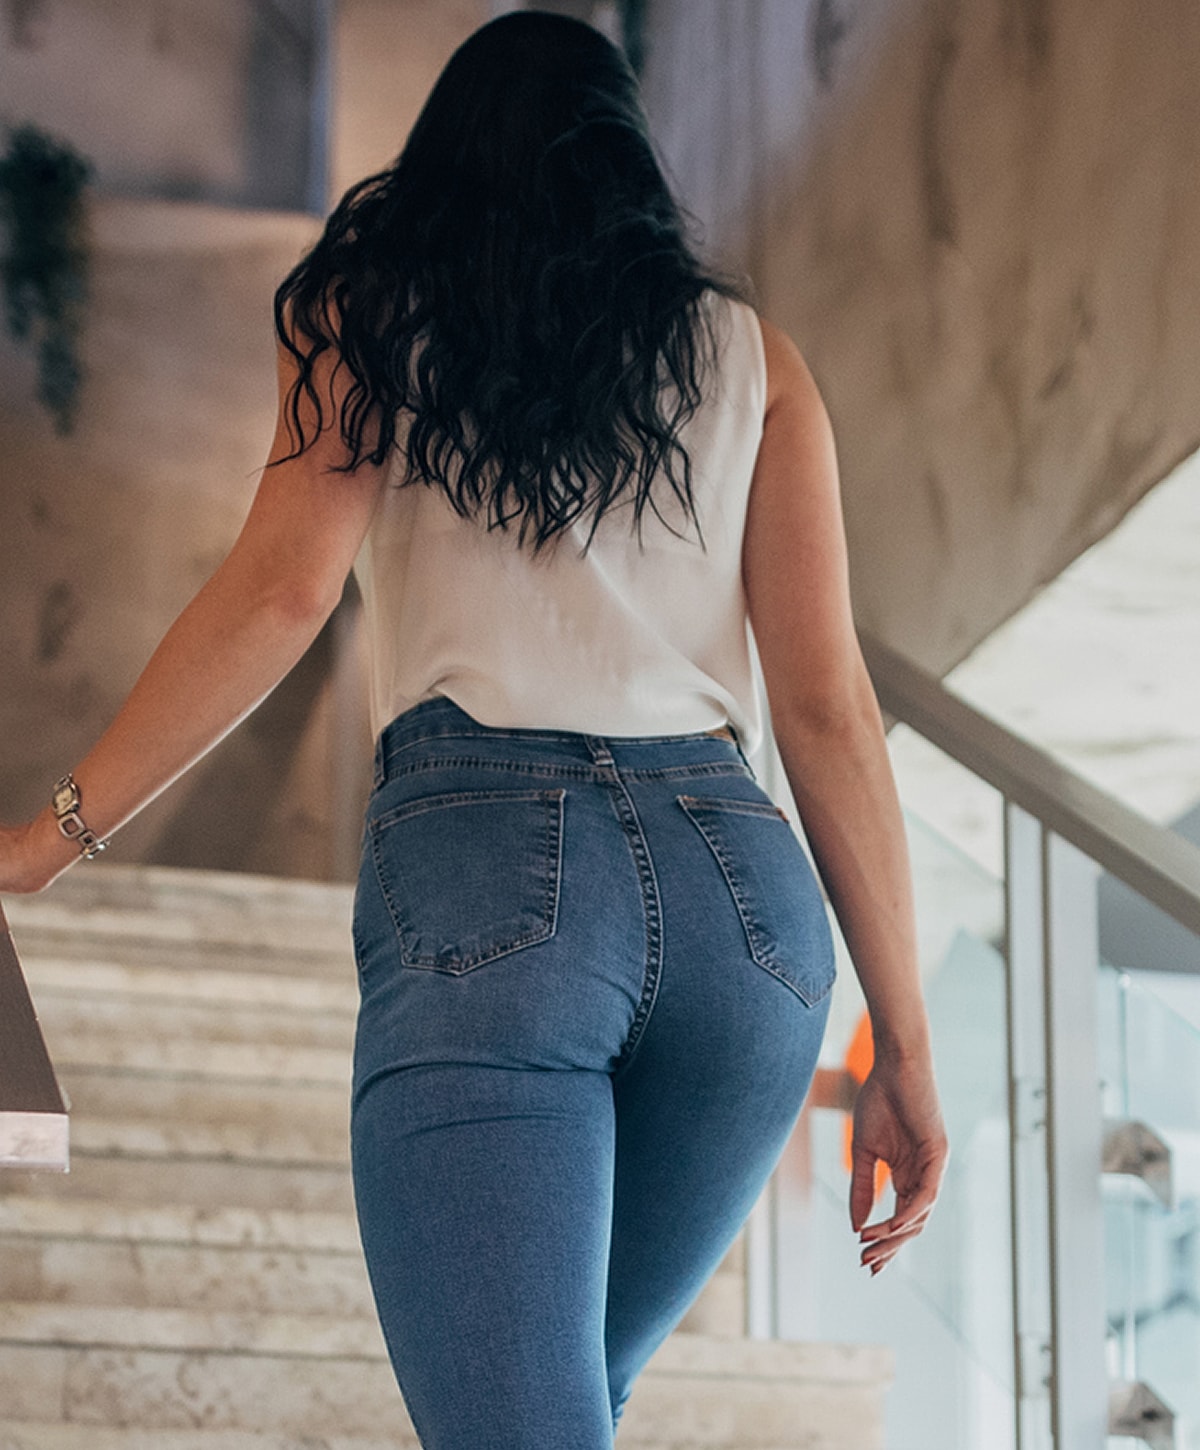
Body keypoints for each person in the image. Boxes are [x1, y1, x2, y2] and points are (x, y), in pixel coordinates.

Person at [0, 11, 948, 1447]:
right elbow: (825, 706)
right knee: (565, 1402)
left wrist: (49, 837)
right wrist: (908, 1050)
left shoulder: (375, 314)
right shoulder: (752, 359)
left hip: (493, 880)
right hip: (745, 927)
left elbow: (278, 596)